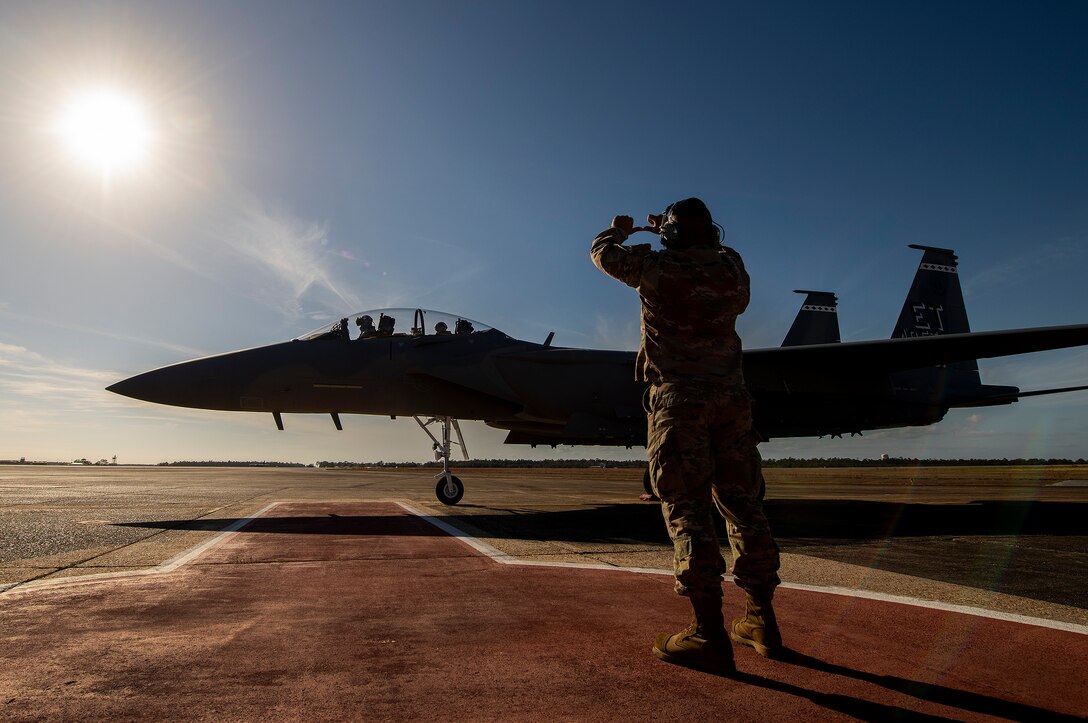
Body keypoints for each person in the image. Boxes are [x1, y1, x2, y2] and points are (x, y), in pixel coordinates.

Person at [590, 197, 782, 674]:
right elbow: (721, 252)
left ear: (672, 235)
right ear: (712, 234)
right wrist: (678, 233)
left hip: (679, 403)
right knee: (745, 507)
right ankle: (762, 621)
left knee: (687, 510)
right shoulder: (731, 272)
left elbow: (602, 254)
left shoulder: (654, 267)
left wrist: (621, 230)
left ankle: (707, 633)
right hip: (733, 403)